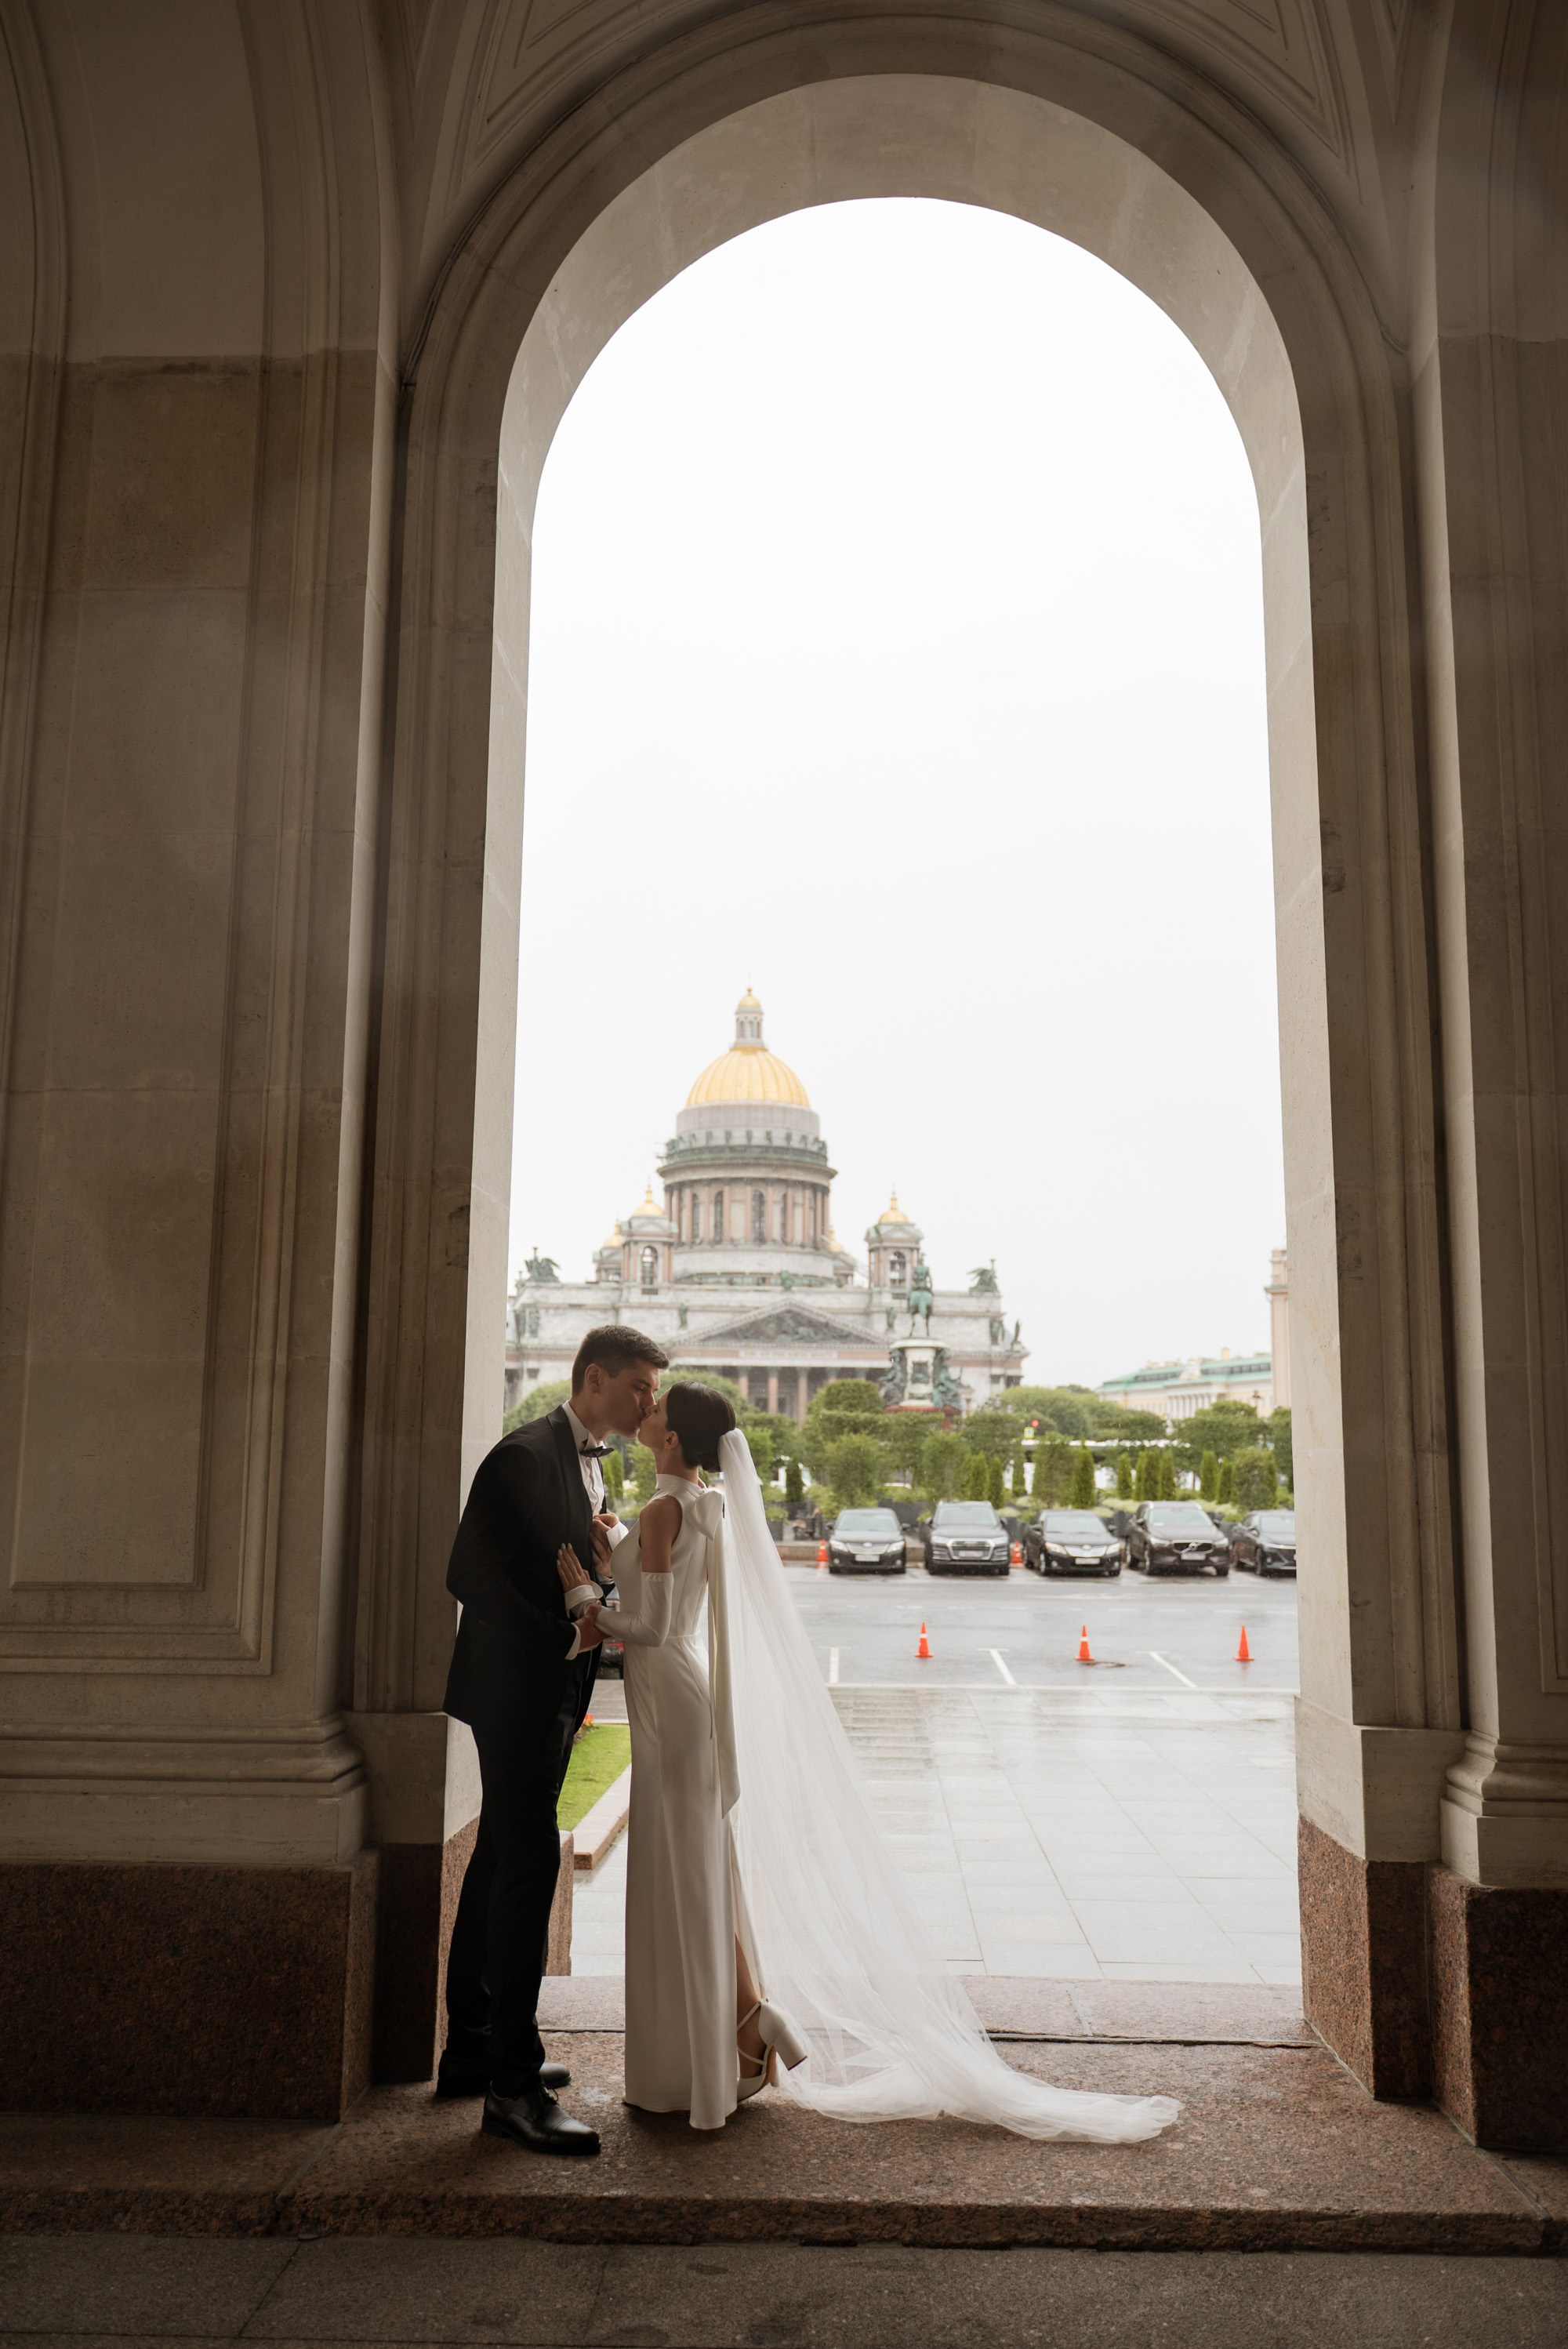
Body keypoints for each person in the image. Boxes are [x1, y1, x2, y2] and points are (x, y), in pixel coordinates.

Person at [560, 1389, 1180, 2146]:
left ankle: (731, 2038)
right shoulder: (704, 1503)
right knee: (698, 1873)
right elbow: (674, 1579)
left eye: (655, 1409)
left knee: (683, 1877)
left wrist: (586, 1597)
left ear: (673, 1435)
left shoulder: (666, 1511)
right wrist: (619, 1538)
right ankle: (748, 2020)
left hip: (670, 1704)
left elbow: (651, 1624)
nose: (643, 1412)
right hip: (685, 1702)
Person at [439, 1323, 668, 2155]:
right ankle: (510, 2083)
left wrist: (596, 1582)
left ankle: (472, 2046)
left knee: (501, 1856)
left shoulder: (589, 1456)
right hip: (515, 1688)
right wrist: (564, 1628)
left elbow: (559, 1559)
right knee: (529, 1864)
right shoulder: (525, 1453)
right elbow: (468, 1573)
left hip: (550, 1688)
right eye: (640, 1385)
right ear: (596, 1376)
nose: (649, 1401)